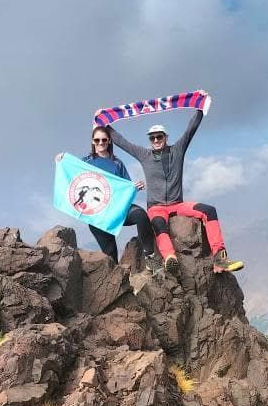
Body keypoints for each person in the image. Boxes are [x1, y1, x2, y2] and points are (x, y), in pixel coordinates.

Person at [104, 101, 244, 277]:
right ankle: (170, 257)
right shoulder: (144, 155)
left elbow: (190, 130)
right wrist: (104, 124)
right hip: (156, 207)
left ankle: (219, 258)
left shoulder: (177, 150)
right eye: (152, 138)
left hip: (178, 205)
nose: (156, 140)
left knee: (209, 210)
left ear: (165, 137)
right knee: (157, 223)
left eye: (159, 137)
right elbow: (122, 142)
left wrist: (200, 107)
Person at [57, 128, 159, 270]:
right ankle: (119, 287)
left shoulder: (117, 163)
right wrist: (62, 159)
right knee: (111, 256)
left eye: (104, 139)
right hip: (98, 215)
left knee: (140, 215)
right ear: (92, 142)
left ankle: (150, 258)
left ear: (109, 141)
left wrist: (135, 186)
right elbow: (71, 171)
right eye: (97, 140)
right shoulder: (86, 162)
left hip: (117, 210)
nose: (100, 143)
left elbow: (126, 187)